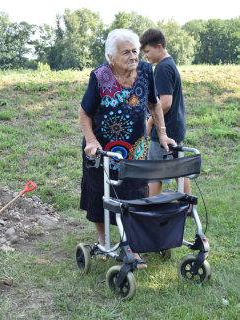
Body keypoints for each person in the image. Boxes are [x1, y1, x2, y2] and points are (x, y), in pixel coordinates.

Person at [79, 29, 175, 269]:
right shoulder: (99, 76)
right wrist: (91, 141)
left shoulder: (145, 71)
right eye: (126, 53)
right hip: (103, 150)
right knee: (99, 193)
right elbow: (84, 113)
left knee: (136, 194)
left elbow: (153, 104)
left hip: (135, 148)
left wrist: (162, 134)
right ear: (111, 57)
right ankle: (104, 242)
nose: (133, 57)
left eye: (135, 51)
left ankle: (131, 244)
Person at [139, 28, 191, 202]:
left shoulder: (162, 68)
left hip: (165, 129)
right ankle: (189, 206)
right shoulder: (170, 63)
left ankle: (150, 209)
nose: (145, 56)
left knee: (155, 172)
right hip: (175, 126)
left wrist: (150, 123)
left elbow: (166, 102)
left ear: (159, 47)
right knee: (178, 168)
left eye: (147, 51)